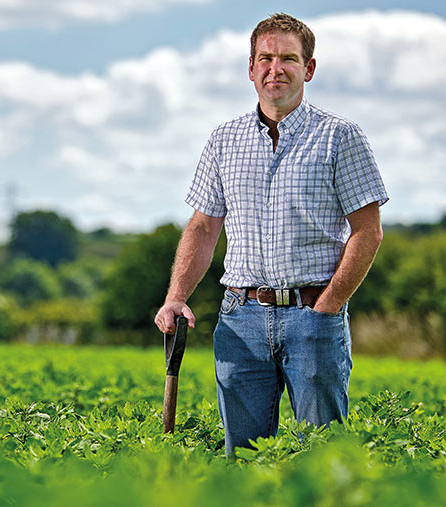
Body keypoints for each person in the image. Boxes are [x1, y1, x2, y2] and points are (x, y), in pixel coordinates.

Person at [154, 13, 388, 457]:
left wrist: (330, 304)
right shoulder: (224, 140)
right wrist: (176, 296)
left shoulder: (340, 137)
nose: (275, 69)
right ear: (250, 67)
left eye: (288, 58)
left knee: (321, 459)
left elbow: (368, 232)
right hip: (240, 318)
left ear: (309, 69)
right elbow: (203, 227)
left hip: (313, 317)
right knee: (242, 458)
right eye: (265, 58)